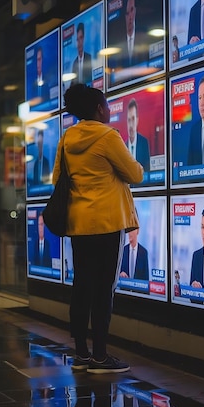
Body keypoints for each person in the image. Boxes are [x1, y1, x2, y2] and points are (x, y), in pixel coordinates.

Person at [52, 83, 143, 373]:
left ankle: (81, 354)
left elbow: (57, 177)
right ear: (97, 109)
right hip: (106, 223)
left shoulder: (67, 138)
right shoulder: (108, 136)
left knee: (82, 287)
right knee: (104, 290)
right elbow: (135, 173)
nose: (108, 110)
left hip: (78, 224)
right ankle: (101, 356)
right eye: (105, 105)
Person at [125, 98, 150, 173]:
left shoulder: (144, 143)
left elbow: (147, 171)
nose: (131, 125)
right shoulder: (123, 146)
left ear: (137, 120)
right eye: (129, 120)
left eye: (133, 119)